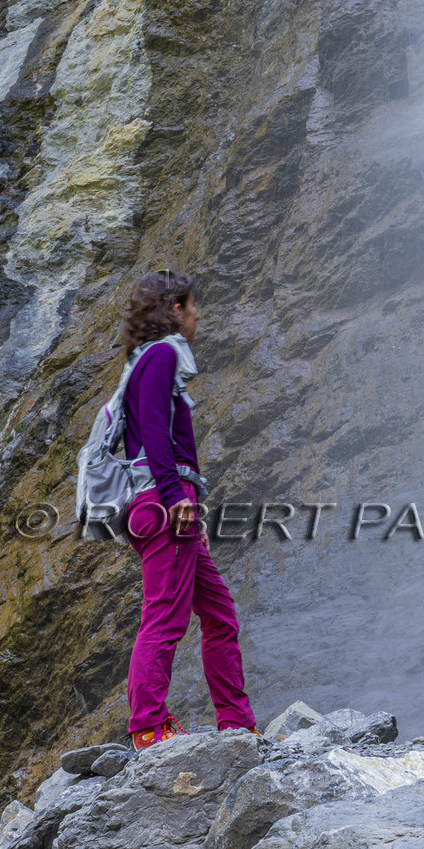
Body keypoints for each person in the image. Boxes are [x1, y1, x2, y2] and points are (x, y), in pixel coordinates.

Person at [119, 269, 259, 748]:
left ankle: (238, 724)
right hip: (163, 502)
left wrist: (189, 508)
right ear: (175, 309)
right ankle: (149, 726)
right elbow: (157, 434)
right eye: (193, 305)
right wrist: (178, 499)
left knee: (220, 614)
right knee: (164, 618)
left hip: (163, 503)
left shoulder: (146, 360)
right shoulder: (161, 355)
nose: (198, 315)